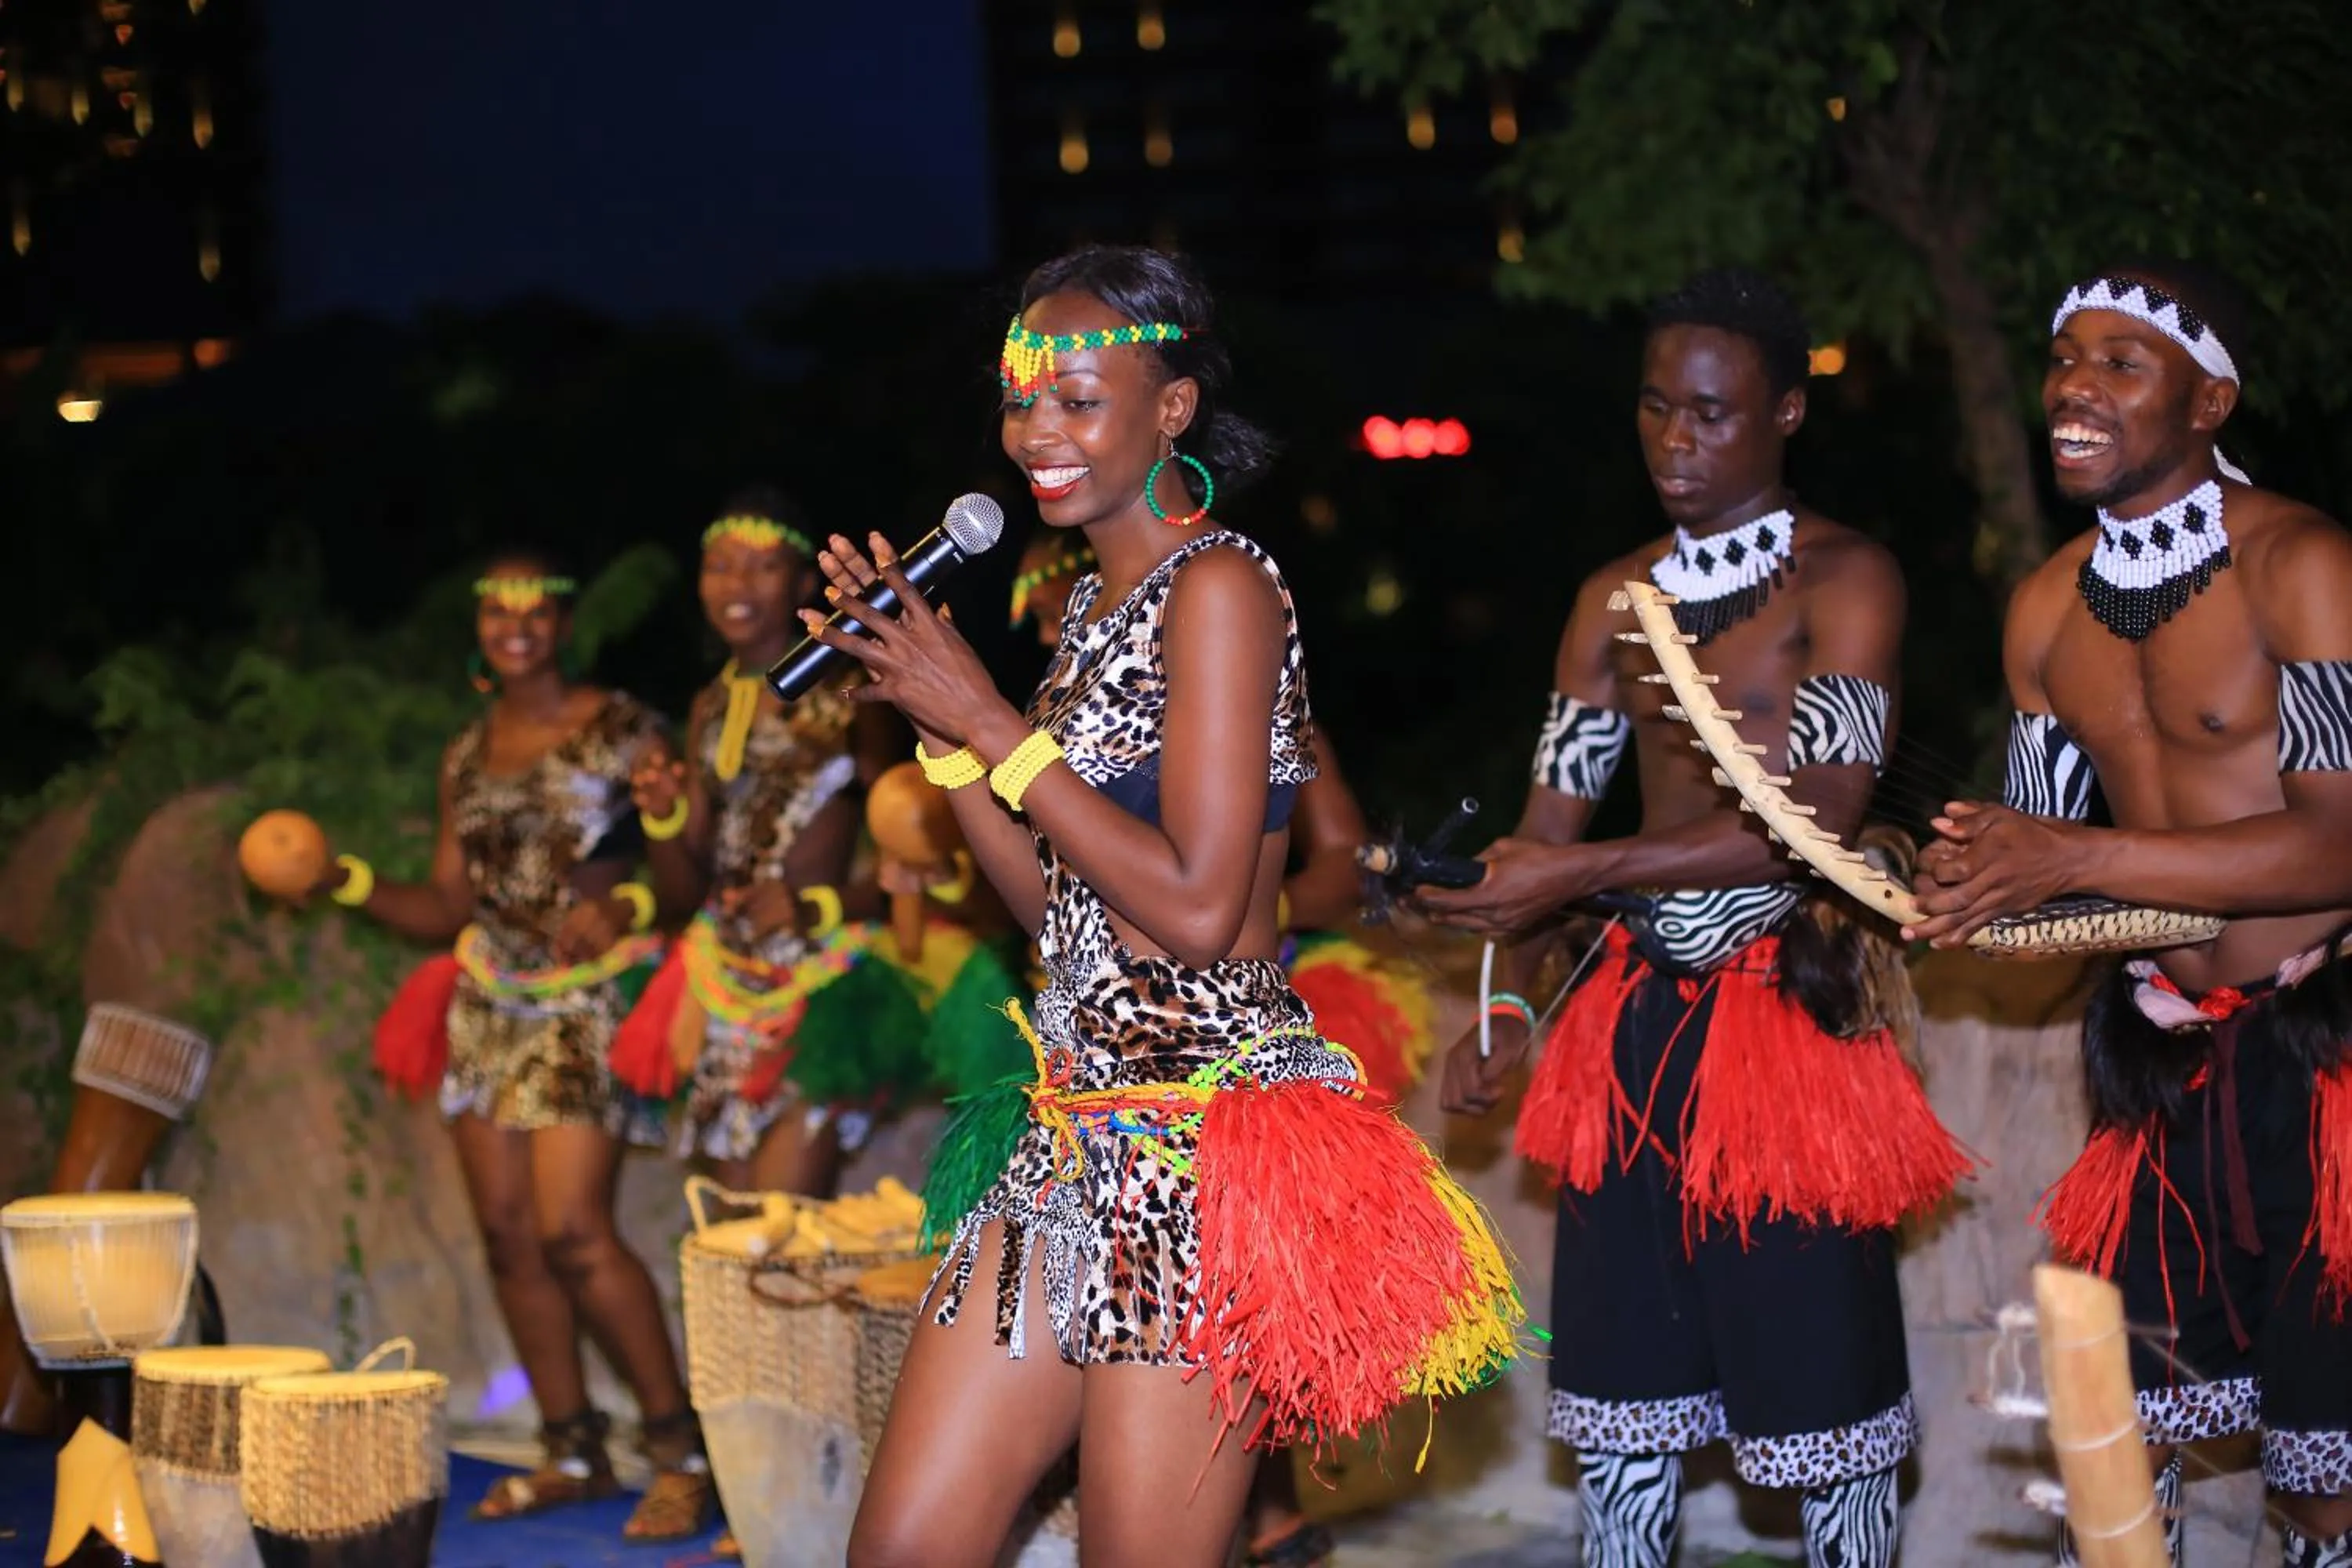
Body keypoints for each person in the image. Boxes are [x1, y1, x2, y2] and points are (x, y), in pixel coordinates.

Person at [808, 245, 1519, 1568]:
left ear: (1172, 408)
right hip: (1068, 1139)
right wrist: (950, 743)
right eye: (1023, 400)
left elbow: (1199, 914)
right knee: (901, 1550)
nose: (1036, 432)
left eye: (1079, 397)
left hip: (1197, 1168)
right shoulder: (1089, 609)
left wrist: (993, 724)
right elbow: (1061, 912)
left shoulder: (1225, 590)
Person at [1417, 268, 1966, 1568]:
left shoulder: (1848, 579)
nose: (1676, 438)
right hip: (1633, 1027)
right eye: (1657, 408)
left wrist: (1581, 874)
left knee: (1829, 1396)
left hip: (1792, 1015)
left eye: (1712, 414)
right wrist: (1502, 999)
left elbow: (1815, 822)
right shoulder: (1607, 600)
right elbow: (1547, 833)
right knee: (1621, 1403)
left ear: (1784, 413)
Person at [1911, 262, 2352, 1567]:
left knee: (2327, 1481)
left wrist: (2069, 857)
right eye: (2061, 359)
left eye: (2120, 362)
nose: (2074, 389)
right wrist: (1957, 895)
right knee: (2115, 1454)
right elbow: (2054, 900)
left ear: (2210, 398)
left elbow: (2341, 838)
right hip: (2160, 1076)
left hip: (2323, 1063)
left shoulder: (2304, 565)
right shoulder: (2048, 612)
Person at [1008, 531, 1434, 1566]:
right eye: (1049, 613)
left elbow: (1329, 865)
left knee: (1239, 1304)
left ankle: (1265, 1509)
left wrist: (1249, 893)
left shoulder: (1228, 633)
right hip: (1080, 1085)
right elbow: (1053, 899)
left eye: (1078, 599)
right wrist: (958, 748)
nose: (1068, 620)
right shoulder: (1065, 717)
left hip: (1218, 1070)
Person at [318, 554, 715, 1542]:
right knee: (507, 1234)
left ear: (565, 621)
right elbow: (449, 902)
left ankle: (682, 1451)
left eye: (537, 607)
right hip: (486, 1004)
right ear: (481, 628)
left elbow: (684, 874)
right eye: (498, 608)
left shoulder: (623, 728)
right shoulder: (467, 751)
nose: (518, 623)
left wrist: (624, 899)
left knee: (575, 1228)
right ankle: (570, 1447)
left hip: (584, 1005)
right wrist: (342, 877)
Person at [615, 487, 912, 1197]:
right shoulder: (708, 705)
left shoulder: (851, 688)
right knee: (738, 1238)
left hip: (817, 989)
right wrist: (662, 818)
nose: (737, 585)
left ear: (805, 582)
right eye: (720, 565)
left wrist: (816, 907)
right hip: (723, 990)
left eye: (762, 567)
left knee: (790, 1241)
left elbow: (919, 850)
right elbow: (686, 893)